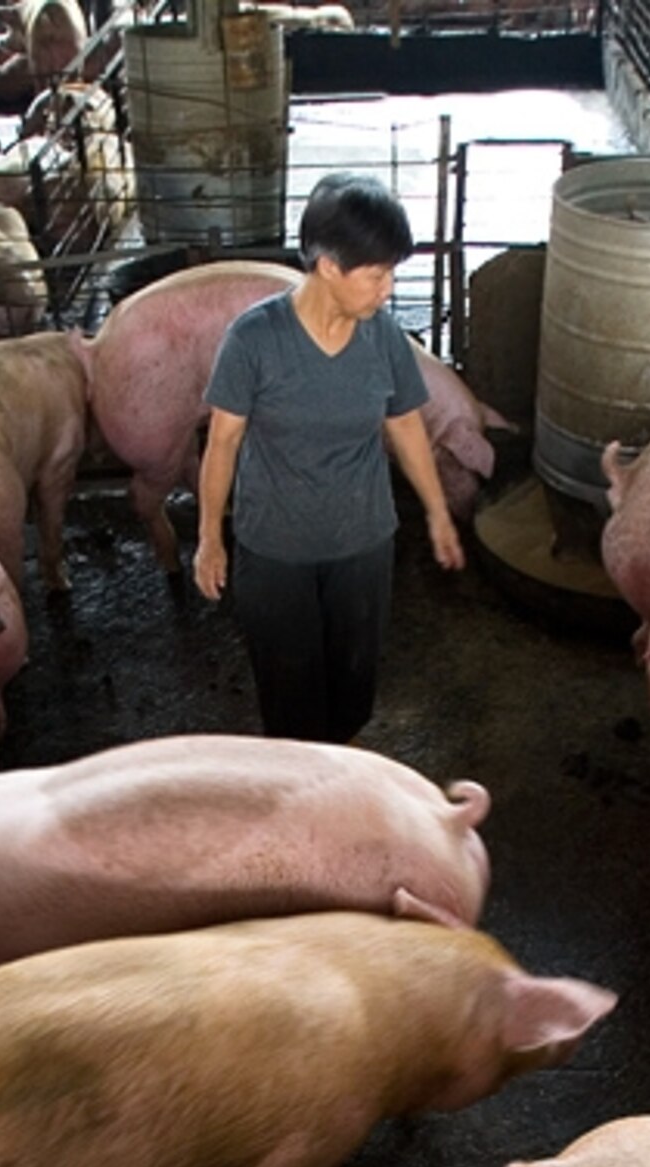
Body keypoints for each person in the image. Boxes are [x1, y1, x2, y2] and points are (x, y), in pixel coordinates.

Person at [192, 174, 467, 742]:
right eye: (376, 275)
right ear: (329, 267)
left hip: (362, 547)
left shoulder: (383, 337)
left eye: (392, 272)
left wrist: (437, 511)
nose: (388, 289)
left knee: (352, 691)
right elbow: (222, 444)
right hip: (275, 554)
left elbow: (405, 423)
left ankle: (339, 776)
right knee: (290, 700)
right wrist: (210, 538)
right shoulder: (254, 340)